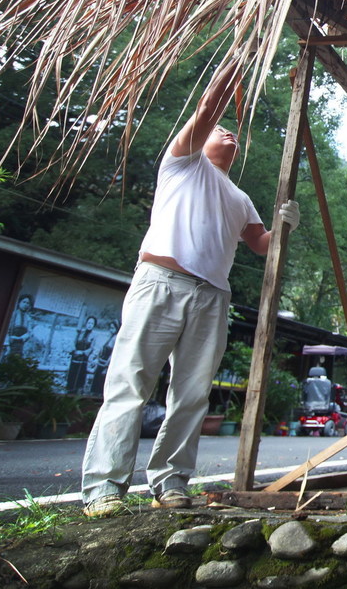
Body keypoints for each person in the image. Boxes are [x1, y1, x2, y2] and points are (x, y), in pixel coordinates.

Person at [79, 62, 301, 518]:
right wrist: (237, 62)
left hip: (212, 297)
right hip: (161, 282)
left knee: (192, 394)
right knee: (131, 383)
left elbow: (261, 246)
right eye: (221, 130)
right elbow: (207, 108)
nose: (228, 134)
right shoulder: (183, 163)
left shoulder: (240, 198)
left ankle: (171, 481)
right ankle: (104, 487)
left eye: (232, 133)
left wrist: (285, 226)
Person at [65, 316, 96, 394]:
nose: (90, 325)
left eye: (92, 323)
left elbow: (91, 348)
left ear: (94, 325)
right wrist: (74, 350)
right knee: (72, 376)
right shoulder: (80, 333)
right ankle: (69, 392)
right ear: (86, 323)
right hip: (75, 358)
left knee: (79, 378)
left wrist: (82, 352)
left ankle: (77, 393)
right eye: (89, 323)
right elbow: (74, 343)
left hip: (83, 361)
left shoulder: (93, 336)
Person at [5, 294, 34, 358]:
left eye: (28, 303)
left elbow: (30, 332)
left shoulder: (28, 318)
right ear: (19, 303)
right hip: (10, 342)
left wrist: (22, 338)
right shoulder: (13, 314)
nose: (25, 304)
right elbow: (6, 329)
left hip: (20, 344)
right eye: (24, 302)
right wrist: (7, 344)